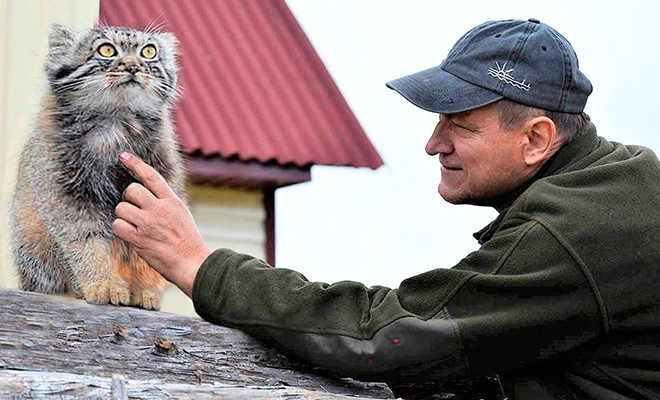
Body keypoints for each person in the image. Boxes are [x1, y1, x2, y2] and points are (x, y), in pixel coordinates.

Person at [112, 18, 660, 400]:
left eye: (460, 125)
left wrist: (198, 264)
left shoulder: (574, 229)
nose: (433, 144)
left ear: (537, 139)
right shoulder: (619, 180)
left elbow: (384, 335)